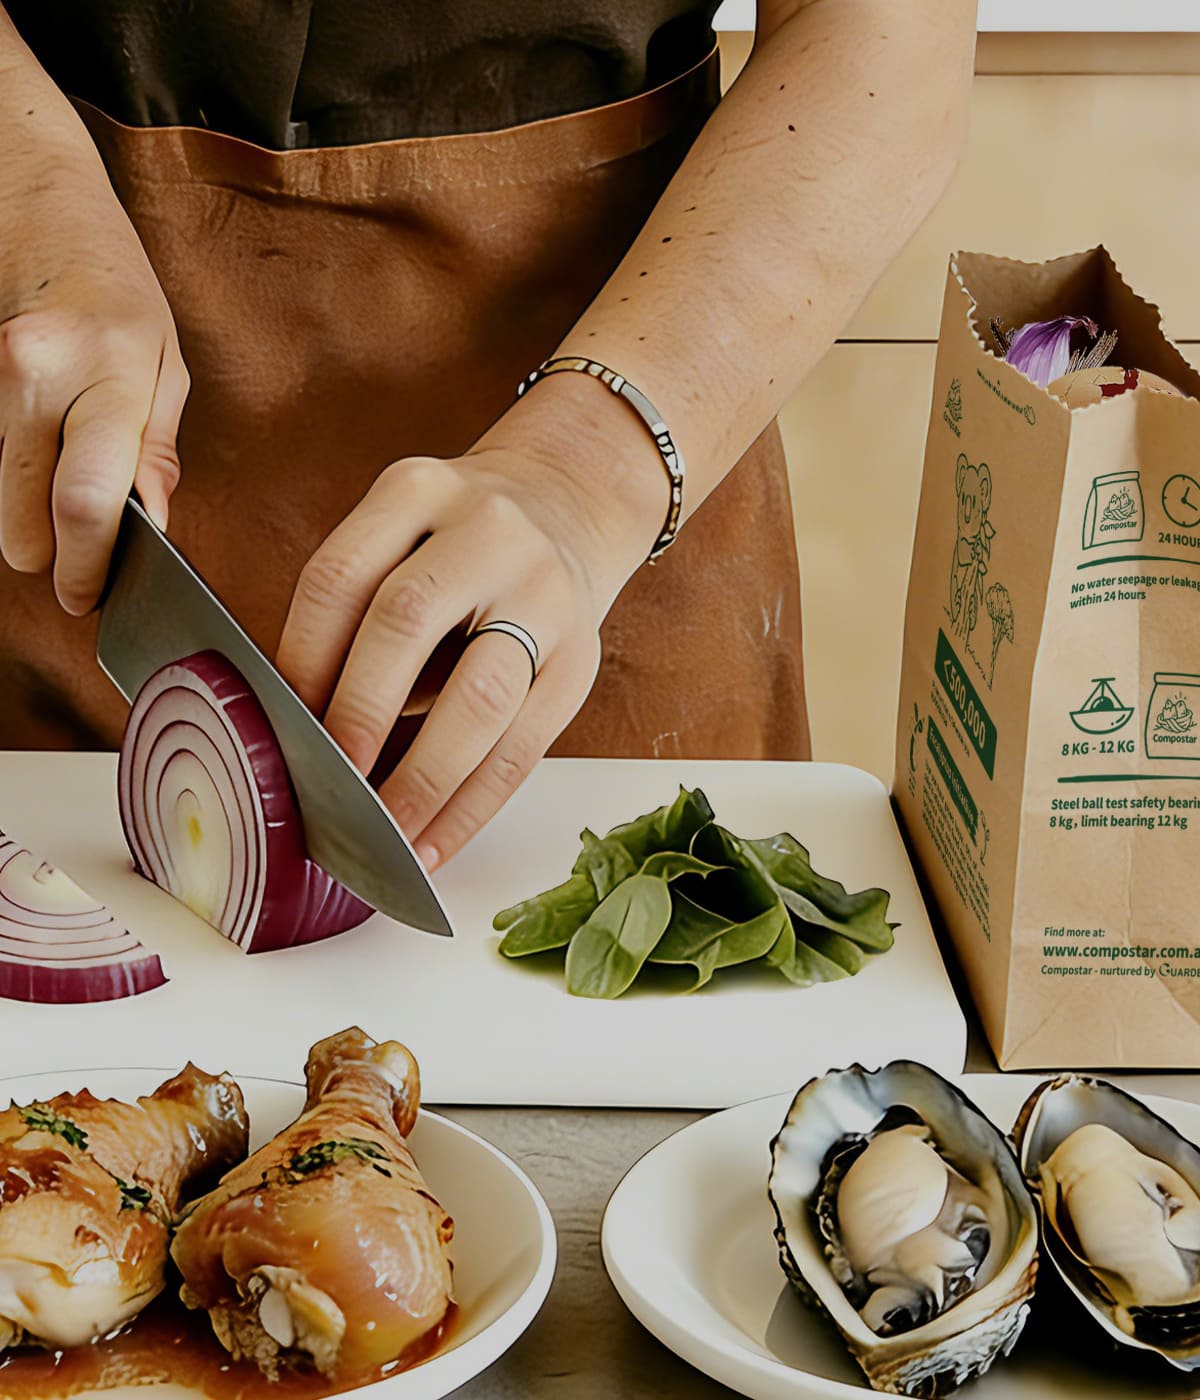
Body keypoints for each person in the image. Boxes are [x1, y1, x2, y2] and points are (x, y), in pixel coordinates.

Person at [0, 1, 974, 870]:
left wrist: (588, 466)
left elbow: (890, 26)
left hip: (640, 402)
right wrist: (30, 211)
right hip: (54, 454)